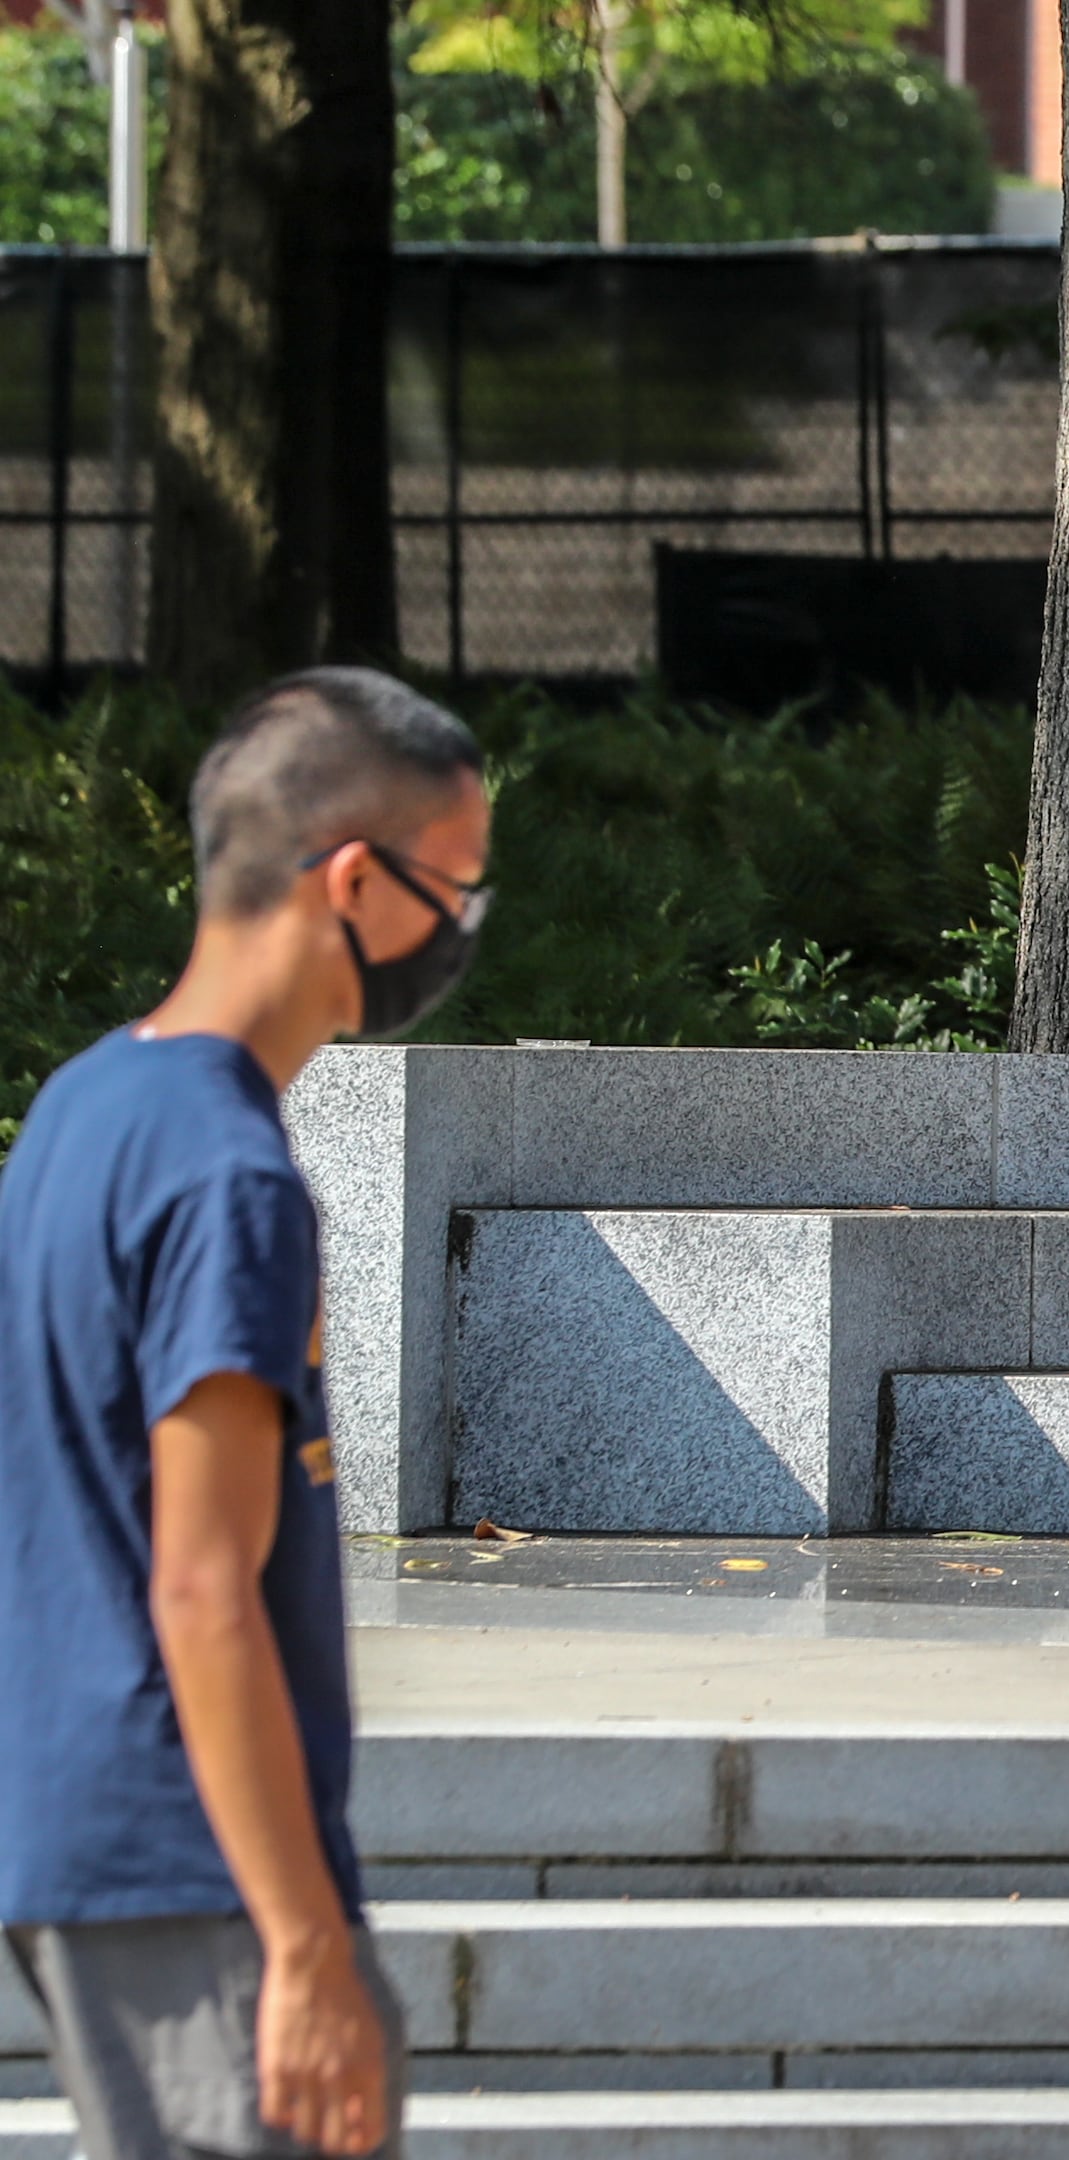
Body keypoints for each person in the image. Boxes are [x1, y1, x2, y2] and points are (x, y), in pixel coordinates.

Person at [0, 668, 493, 2160]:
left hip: (81, 1830)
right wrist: (302, 1944)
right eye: (457, 887)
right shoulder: (231, 1179)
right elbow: (204, 1580)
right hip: (192, 1854)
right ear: (355, 879)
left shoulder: (83, 1109)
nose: (464, 931)